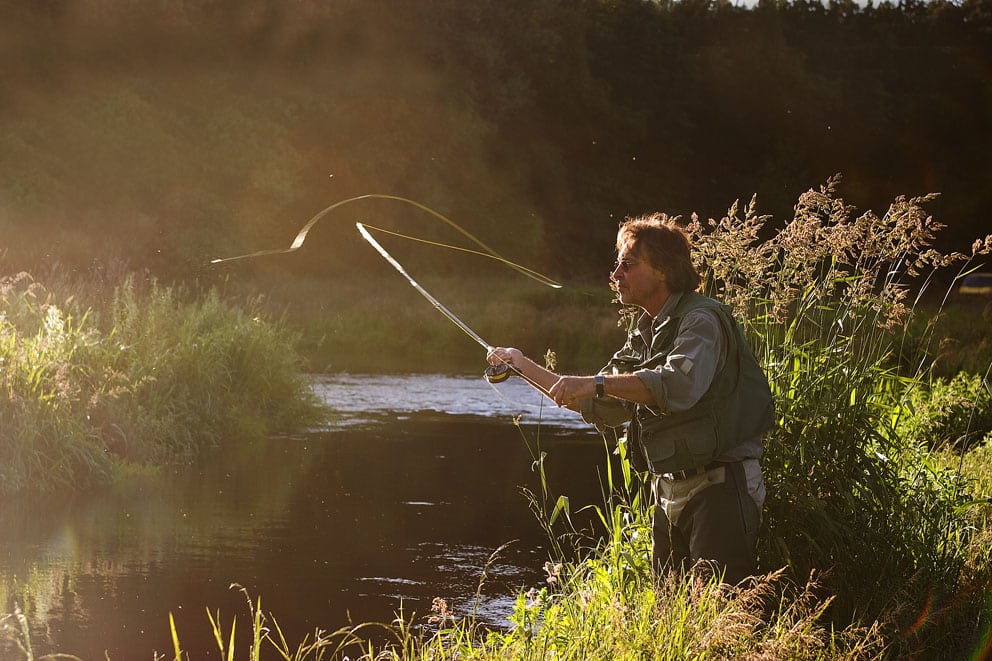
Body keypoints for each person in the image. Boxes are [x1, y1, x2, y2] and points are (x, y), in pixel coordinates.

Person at [487, 213, 774, 585]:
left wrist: (595, 383)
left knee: (718, 610)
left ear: (663, 271)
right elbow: (590, 400)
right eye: (617, 264)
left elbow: (677, 386)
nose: (615, 274)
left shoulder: (702, 320)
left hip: (720, 487)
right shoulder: (644, 331)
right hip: (669, 490)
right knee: (670, 616)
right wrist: (520, 365)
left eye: (628, 264)